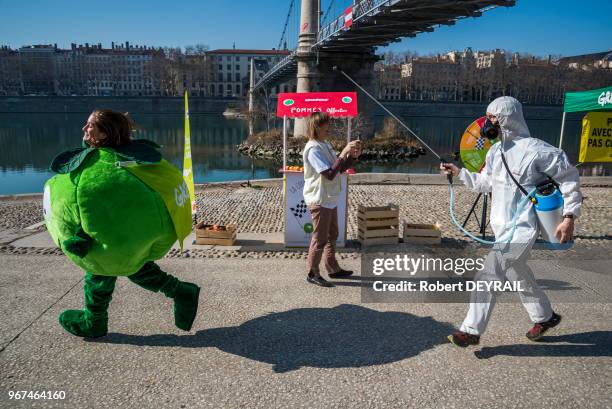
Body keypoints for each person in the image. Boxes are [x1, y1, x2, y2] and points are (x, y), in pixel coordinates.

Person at [44, 109, 200, 338]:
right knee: (132, 268)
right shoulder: (135, 161)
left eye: (90, 126)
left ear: (106, 133)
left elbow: (81, 203)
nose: (84, 129)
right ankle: (180, 291)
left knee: (100, 273)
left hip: (106, 243)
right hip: (123, 242)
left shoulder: (103, 170)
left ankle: (94, 321)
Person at [440, 96, 582, 347]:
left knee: (489, 274)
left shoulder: (537, 149)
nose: (488, 123)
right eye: (488, 117)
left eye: (493, 118)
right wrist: (459, 172)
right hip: (502, 228)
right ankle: (545, 316)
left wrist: (569, 216)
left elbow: (569, 177)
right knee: (517, 273)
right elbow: (486, 184)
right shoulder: (495, 151)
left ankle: (471, 330)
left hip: (523, 229)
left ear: (507, 119)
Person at [303, 112, 361, 287]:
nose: (329, 128)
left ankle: (332, 268)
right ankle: (312, 273)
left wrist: (353, 156)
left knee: (332, 235)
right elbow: (328, 174)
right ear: (316, 127)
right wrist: (343, 152)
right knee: (320, 238)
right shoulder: (313, 149)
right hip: (319, 199)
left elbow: (339, 168)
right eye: (326, 125)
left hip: (329, 198)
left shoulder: (324, 144)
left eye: (329, 124)